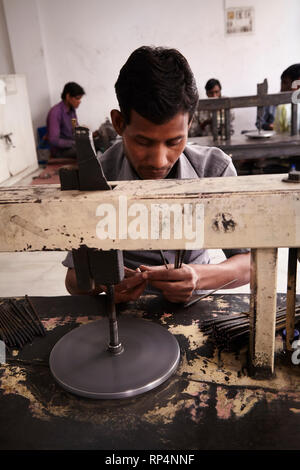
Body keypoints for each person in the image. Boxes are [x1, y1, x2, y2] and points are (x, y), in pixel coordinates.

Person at [63, 46, 250, 303]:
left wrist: (198, 277)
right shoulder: (98, 177)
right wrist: (105, 282)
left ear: (190, 123)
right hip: (124, 313)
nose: (158, 161)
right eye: (143, 141)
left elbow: (250, 264)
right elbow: (73, 280)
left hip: (196, 304)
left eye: (174, 141)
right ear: (118, 123)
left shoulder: (213, 171)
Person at [256, 64, 300, 132]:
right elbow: (260, 123)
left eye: (286, 83)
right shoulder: (271, 102)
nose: (283, 87)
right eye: (283, 82)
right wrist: (272, 126)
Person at [46, 82, 85, 158]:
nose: (79, 101)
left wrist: (87, 135)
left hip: (72, 146)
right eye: (77, 98)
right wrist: (74, 143)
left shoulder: (72, 110)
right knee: (86, 152)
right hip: (60, 151)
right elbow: (53, 140)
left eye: (80, 99)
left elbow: (75, 129)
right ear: (68, 96)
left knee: (95, 144)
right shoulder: (55, 113)